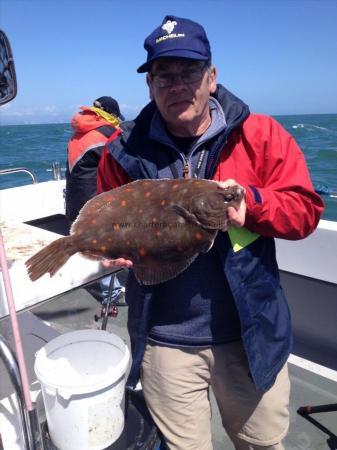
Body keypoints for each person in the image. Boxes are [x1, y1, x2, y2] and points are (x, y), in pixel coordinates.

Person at [97, 16, 324, 450]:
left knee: (261, 443)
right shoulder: (122, 152)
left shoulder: (262, 135)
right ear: (150, 86)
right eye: (164, 76)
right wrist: (106, 252)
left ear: (212, 77)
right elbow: (107, 219)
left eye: (189, 73)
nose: (177, 85)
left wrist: (252, 204)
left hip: (250, 334)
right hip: (166, 340)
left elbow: (306, 212)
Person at [65, 96, 125, 303]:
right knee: (107, 244)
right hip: (94, 201)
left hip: (74, 200)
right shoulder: (109, 133)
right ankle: (111, 292)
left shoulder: (78, 133)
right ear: (112, 115)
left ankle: (107, 286)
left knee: (96, 244)